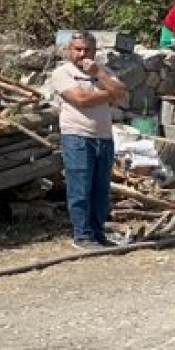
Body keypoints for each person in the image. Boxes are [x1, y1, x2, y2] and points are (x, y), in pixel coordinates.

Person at [50, 31, 128, 250]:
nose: (82, 54)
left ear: (94, 51)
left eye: (87, 49)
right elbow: (81, 99)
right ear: (69, 50)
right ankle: (82, 236)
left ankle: (98, 232)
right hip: (77, 136)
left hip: (103, 137)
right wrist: (110, 93)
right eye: (78, 49)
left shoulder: (102, 71)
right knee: (80, 188)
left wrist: (100, 76)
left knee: (100, 189)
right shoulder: (62, 73)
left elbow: (123, 94)